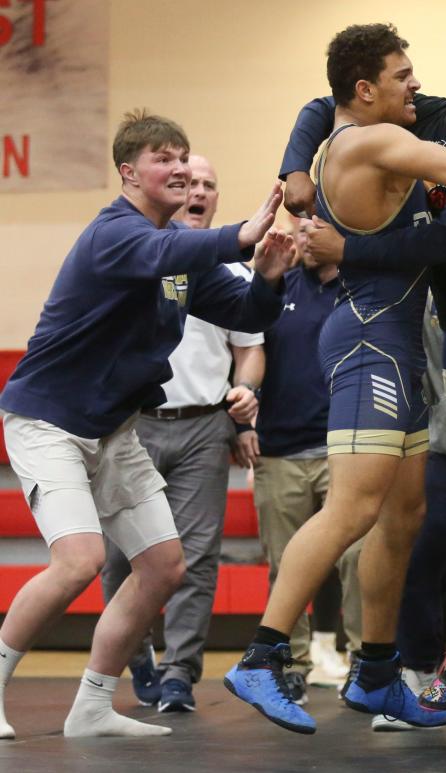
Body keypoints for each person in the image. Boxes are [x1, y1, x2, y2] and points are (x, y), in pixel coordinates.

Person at [223, 23, 446, 736]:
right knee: (352, 510)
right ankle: (262, 656)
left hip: (394, 341)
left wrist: (296, 169)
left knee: (404, 516)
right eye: (403, 76)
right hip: (370, 338)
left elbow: (316, 105)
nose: (417, 85)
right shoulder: (370, 139)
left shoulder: (349, 128)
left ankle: (375, 670)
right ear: (365, 91)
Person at [0, 109, 291, 739]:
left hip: (111, 428)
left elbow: (241, 306)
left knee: (163, 565)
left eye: (184, 157)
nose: (181, 168)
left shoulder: (179, 253)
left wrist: (267, 274)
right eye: (165, 158)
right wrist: (244, 231)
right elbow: (166, 250)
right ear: (130, 173)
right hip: (48, 421)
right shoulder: (116, 232)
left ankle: (94, 707)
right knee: (78, 562)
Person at [98, 154, 267, 714]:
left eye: (207, 185)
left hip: (202, 428)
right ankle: (136, 651)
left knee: (196, 558)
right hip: (134, 423)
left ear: (216, 199)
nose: (197, 191)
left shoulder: (230, 272)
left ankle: (179, 674)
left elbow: (249, 349)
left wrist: (245, 397)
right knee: (123, 556)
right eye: (187, 182)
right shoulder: (138, 253)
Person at [251, 216, 343, 701]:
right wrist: (243, 422)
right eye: (299, 229)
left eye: (317, 228)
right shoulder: (274, 287)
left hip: (346, 449)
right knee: (284, 567)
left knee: (360, 560)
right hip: (280, 448)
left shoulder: (362, 288)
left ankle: (372, 662)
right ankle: (291, 664)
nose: (306, 238)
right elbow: (243, 353)